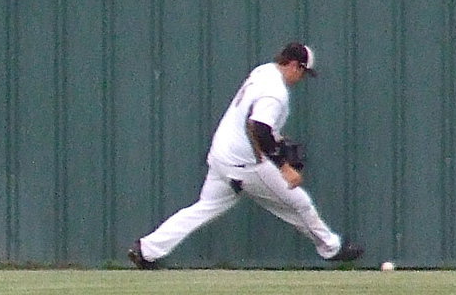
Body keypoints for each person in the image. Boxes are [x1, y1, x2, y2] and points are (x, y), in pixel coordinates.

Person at [128, 42, 363, 268]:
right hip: (244, 163)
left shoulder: (263, 72)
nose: (301, 78)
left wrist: (276, 142)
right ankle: (331, 248)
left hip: (222, 153)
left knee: (203, 208)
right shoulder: (276, 93)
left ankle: (146, 249)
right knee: (298, 203)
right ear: (294, 65)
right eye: (303, 72)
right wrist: (283, 165)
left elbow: (255, 122)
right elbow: (258, 127)